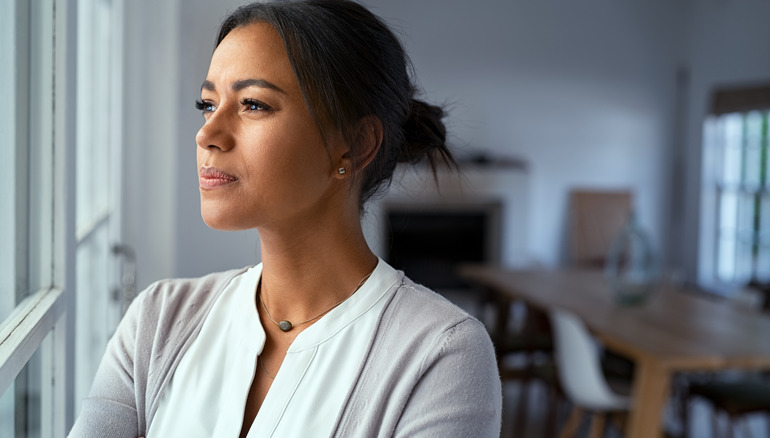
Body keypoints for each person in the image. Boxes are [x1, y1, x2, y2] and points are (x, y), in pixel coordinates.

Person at [69, 1, 502, 436]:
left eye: (253, 104)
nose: (207, 134)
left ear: (354, 145)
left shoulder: (441, 355)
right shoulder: (158, 320)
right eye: (208, 104)